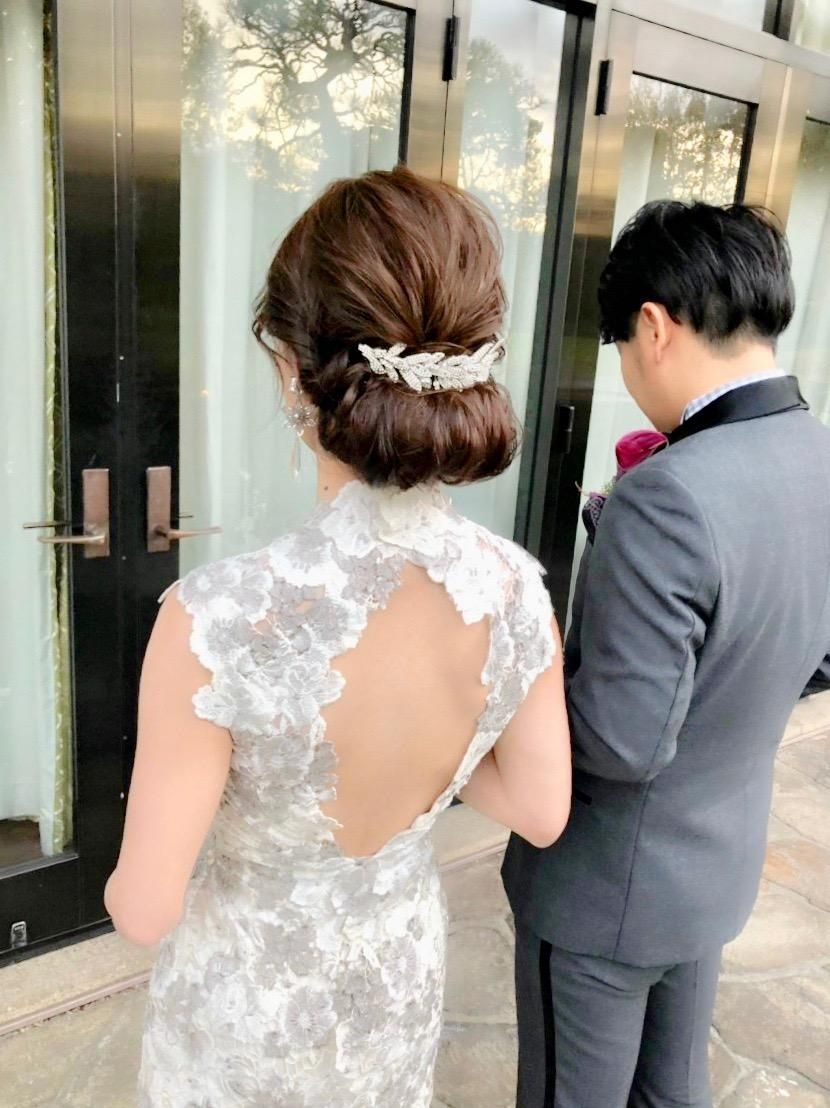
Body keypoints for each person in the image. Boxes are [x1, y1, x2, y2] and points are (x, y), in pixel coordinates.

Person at [103, 166, 572, 1107]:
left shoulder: (218, 619)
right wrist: (429, 755)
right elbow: (541, 808)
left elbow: (144, 910)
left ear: (291, 369)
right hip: (391, 987)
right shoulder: (515, 589)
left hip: (246, 1022)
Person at [502, 199, 830, 1108]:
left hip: (604, 885)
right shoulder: (819, 457)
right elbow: (816, 660)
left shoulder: (670, 492)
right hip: (714, 864)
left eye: (618, 346)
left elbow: (621, 742)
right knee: (672, 1094)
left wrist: (531, 666)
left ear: (652, 326)